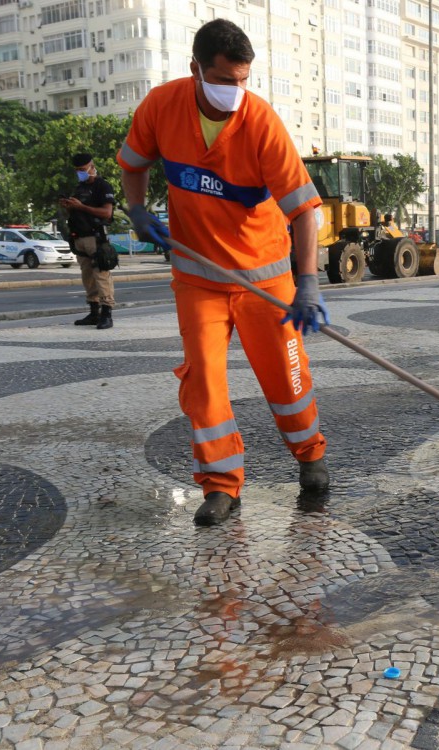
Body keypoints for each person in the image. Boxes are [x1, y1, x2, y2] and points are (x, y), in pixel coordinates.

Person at [117, 19, 329, 527]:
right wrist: (137, 209)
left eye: (243, 80)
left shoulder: (261, 123)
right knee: (204, 384)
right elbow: (133, 162)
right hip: (198, 279)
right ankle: (220, 485)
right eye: (223, 80)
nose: (235, 90)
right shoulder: (161, 107)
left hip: (264, 280)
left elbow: (304, 210)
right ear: (195, 69)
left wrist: (307, 283)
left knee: (287, 379)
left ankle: (310, 457)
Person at [60, 153, 117, 329]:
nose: (80, 173)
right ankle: (94, 312)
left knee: (101, 274)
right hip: (80, 237)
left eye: (82, 169)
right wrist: (69, 207)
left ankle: (106, 313)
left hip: (96, 237)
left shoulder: (102, 186)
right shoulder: (80, 188)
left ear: (92, 166)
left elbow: (107, 213)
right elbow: (77, 212)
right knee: (87, 276)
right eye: (77, 170)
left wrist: (81, 206)